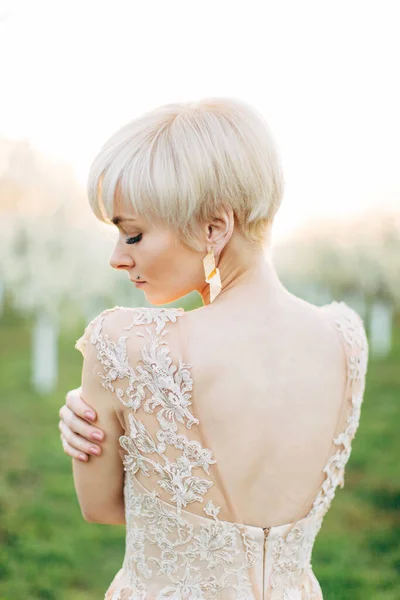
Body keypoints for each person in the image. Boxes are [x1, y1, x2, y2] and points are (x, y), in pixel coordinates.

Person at [58, 97, 369, 599]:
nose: (117, 258)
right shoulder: (345, 337)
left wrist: (94, 431)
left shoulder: (126, 344)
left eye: (133, 234)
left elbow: (102, 508)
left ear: (213, 227)